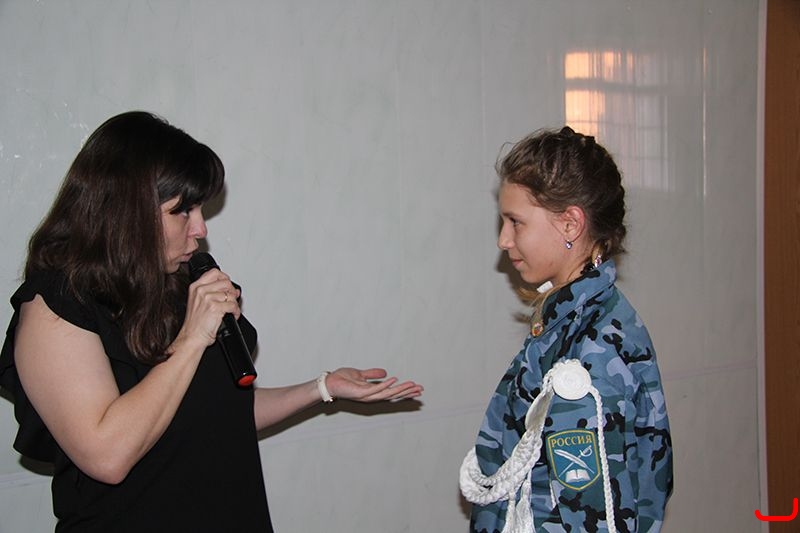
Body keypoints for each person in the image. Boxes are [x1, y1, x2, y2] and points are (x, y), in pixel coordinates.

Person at [0, 111, 423, 533]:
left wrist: (322, 388)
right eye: (182, 210)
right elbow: (108, 456)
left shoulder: (178, 284)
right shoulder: (55, 308)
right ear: (125, 211)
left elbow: (217, 414)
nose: (200, 228)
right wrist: (190, 340)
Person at [460, 127, 672, 533]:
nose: (504, 240)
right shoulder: (568, 320)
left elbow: (589, 516)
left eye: (516, 222)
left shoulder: (593, 348)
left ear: (570, 224)